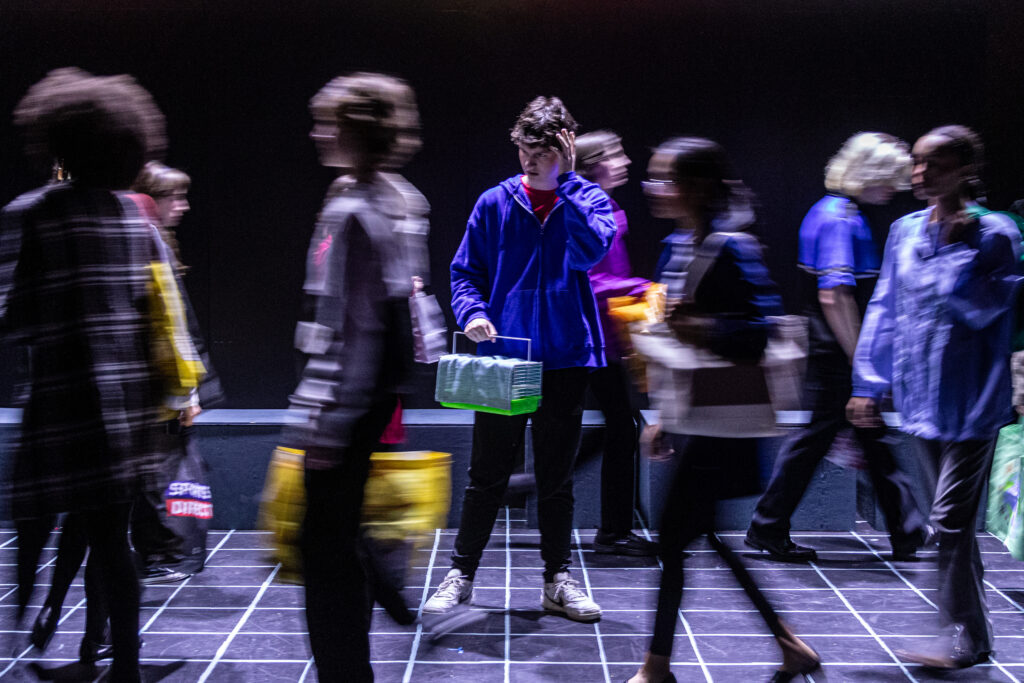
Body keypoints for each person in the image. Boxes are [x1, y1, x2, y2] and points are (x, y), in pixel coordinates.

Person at [627, 137, 820, 683]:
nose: (655, 188)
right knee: (698, 535)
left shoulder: (732, 249)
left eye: (666, 178)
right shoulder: (677, 248)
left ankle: (656, 667)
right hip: (698, 417)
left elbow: (760, 334)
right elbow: (676, 343)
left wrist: (705, 328)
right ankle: (789, 646)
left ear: (697, 187)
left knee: (675, 536)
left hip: (727, 425)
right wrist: (663, 415)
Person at [0, 67, 168, 683]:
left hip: (64, 399)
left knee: (37, 522)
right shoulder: (134, 216)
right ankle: (125, 666)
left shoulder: (33, 212)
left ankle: (27, 618)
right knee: (112, 542)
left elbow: (14, 317)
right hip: (127, 404)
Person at [424, 97, 615, 622]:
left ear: (564, 150)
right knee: (487, 473)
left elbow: (591, 252)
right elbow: (465, 272)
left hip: (567, 357)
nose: (530, 160)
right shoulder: (495, 201)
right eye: (524, 150)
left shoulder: (587, 198)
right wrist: (473, 313)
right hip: (505, 359)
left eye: (541, 152)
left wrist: (569, 183)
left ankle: (558, 580)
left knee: (555, 478)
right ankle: (461, 574)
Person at [848, 125, 1021, 669]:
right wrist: (867, 383)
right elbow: (885, 307)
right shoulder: (903, 230)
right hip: (919, 399)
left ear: (966, 170)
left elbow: (986, 310)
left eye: (936, 164)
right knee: (955, 530)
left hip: (974, 402)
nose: (921, 174)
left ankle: (949, 633)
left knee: (947, 523)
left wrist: (955, 250)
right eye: (917, 163)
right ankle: (976, 636)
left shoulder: (996, 234)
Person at [289, 72, 423, 682]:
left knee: (323, 554)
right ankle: (381, 589)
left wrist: (328, 422)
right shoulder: (397, 198)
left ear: (356, 133)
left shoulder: (353, 210)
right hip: (374, 395)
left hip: (345, 400)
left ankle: (345, 673)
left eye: (329, 124)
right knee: (337, 535)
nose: (318, 134)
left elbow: (351, 328)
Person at [747, 133, 926, 561]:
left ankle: (906, 529)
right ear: (871, 173)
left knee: (862, 436)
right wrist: (860, 360)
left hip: (836, 348)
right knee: (825, 437)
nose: (897, 187)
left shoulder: (837, 213)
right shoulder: (839, 218)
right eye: (891, 177)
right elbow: (835, 296)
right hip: (838, 351)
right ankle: (768, 524)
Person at [130, 161, 223, 584]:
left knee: (161, 474)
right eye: (174, 197)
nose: (183, 206)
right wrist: (185, 391)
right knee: (158, 475)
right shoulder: (148, 243)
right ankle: (165, 553)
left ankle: (168, 553)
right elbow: (167, 325)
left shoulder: (158, 242)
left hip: (163, 385)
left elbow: (177, 324)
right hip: (158, 385)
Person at [575, 130, 657, 556]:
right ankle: (613, 531)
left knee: (618, 426)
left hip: (604, 337)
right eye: (616, 154)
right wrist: (642, 288)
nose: (625, 161)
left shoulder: (605, 205)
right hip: (588, 339)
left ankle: (614, 529)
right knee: (620, 427)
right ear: (593, 165)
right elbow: (590, 280)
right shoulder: (589, 208)